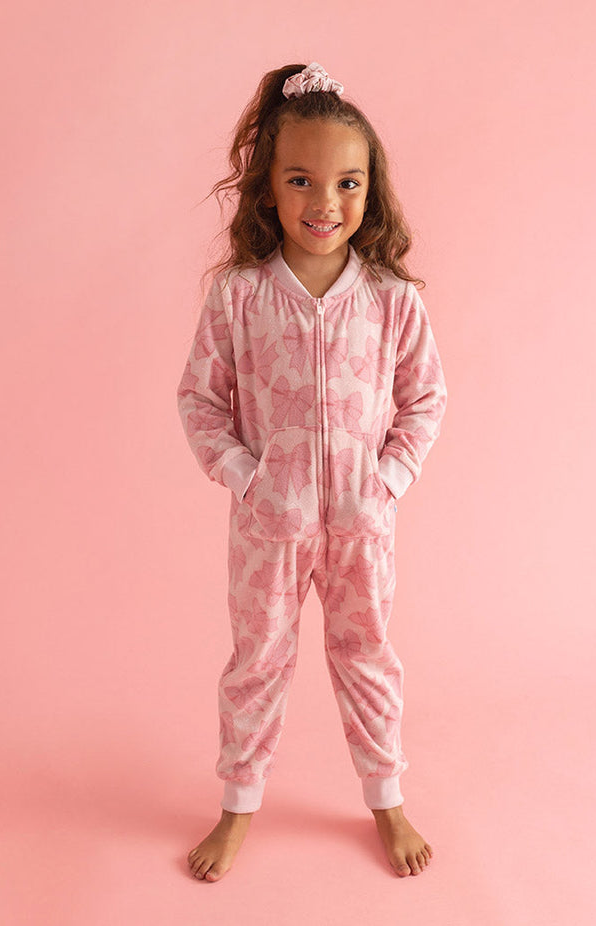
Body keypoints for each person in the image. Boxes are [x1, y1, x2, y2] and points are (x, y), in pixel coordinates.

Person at [176, 62, 447, 881]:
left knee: (368, 656)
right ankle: (237, 806)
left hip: (363, 525)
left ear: (369, 191)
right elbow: (200, 400)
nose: (323, 201)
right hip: (270, 525)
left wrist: (387, 481)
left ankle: (386, 799)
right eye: (300, 180)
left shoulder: (392, 299)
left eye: (346, 183)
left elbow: (425, 400)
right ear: (268, 188)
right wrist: (246, 476)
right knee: (256, 662)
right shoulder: (240, 296)